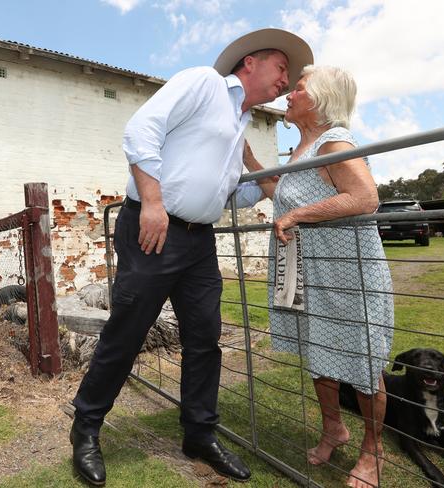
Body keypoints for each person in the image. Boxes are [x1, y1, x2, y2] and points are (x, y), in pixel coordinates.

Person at [70, 29, 313, 486]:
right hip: (153, 226)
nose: (286, 80)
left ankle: (199, 433)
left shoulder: (241, 122)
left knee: (205, 338)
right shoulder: (204, 82)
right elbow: (141, 129)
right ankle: (86, 428)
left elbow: (229, 195)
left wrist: (256, 168)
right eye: (282, 69)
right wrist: (154, 203)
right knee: (127, 333)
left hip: (199, 241)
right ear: (250, 64)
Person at [244, 65, 394, 488]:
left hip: (348, 272)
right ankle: (334, 429)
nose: (289, 94)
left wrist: (298, 214)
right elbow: (282, 194)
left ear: (322, 98)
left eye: (299, 88)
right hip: (312, 272)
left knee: (363, 361)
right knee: (320, 352)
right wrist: (248, 157)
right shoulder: (302, 148)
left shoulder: (335, 140)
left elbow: (365, 198)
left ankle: (373, 451)